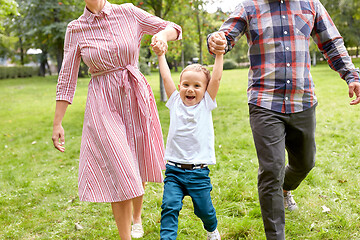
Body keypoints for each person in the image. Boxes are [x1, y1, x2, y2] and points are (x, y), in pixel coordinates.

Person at [207, 0, 360, 239]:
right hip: (264, 101)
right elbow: (224, 36)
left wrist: (351, 75)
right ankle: (275, 235)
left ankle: (286, 189)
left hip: (302, 100)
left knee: (305, 162)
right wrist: (217, 41)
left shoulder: (311, 5)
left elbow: (331, 43)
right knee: (271, 170)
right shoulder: (249, 6)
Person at [51, 0, 182, 239]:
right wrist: (57, 121)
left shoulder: (129, 11)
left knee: (136, 160)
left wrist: (162, 35)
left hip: (134, 94)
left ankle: (137, 217)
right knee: (120, 166)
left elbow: (174, 27)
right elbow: (67, 76)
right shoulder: (75, 28)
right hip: (103, 102)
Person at [151, 35, 224, 240]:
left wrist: (219, 54)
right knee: (169, 207)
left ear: (205, 90)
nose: (190, 89)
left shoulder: (206, 103)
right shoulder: (175, 101)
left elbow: (216, 79)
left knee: (204, 210)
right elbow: (166, 77)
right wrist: (161, 55)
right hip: (174, 170)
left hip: (198, 173)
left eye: (197, 86)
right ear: (180, 86)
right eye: (185, 84)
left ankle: (211, 229)